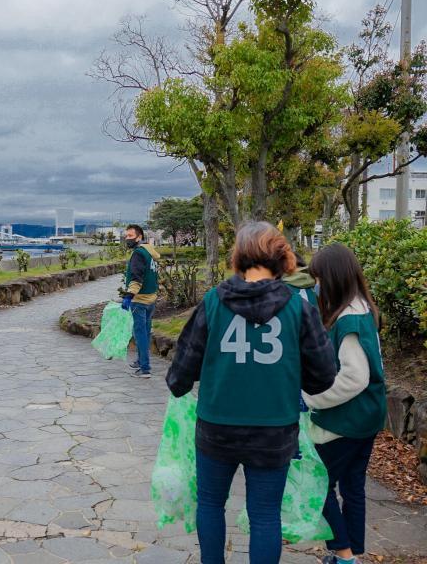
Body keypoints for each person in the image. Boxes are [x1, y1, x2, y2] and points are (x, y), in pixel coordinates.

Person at [166, 221, 337, 564]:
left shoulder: (213, 302)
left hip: (216, 426)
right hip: (274, 430)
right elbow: (324, 376)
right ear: (282, 257)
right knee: (265, 514)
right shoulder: (298, 307)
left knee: (211, 503)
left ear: (239, 256)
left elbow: (179, 376)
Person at [304, 243, 386, 564]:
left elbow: (354, 377)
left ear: (333, 278)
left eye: (319, 278)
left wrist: (310, 398)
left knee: (316, 485)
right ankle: (350, 555)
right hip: (367, 417)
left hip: (346, 421)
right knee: (353, 487)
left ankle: (344, 554)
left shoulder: (348, 319)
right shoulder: (363, 309)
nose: (316, 285)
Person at [121, 224, 162, 378]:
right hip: (151, 299)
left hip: (139, 300)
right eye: (126, 236)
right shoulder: (148, 251)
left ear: (139, 237)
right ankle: (140, 360)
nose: (127, 239)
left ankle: (145, 369)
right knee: (145, 332)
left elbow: (136, 277)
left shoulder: (138, 253)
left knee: (140, 334)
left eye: (130, 236)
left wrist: (128, 296)